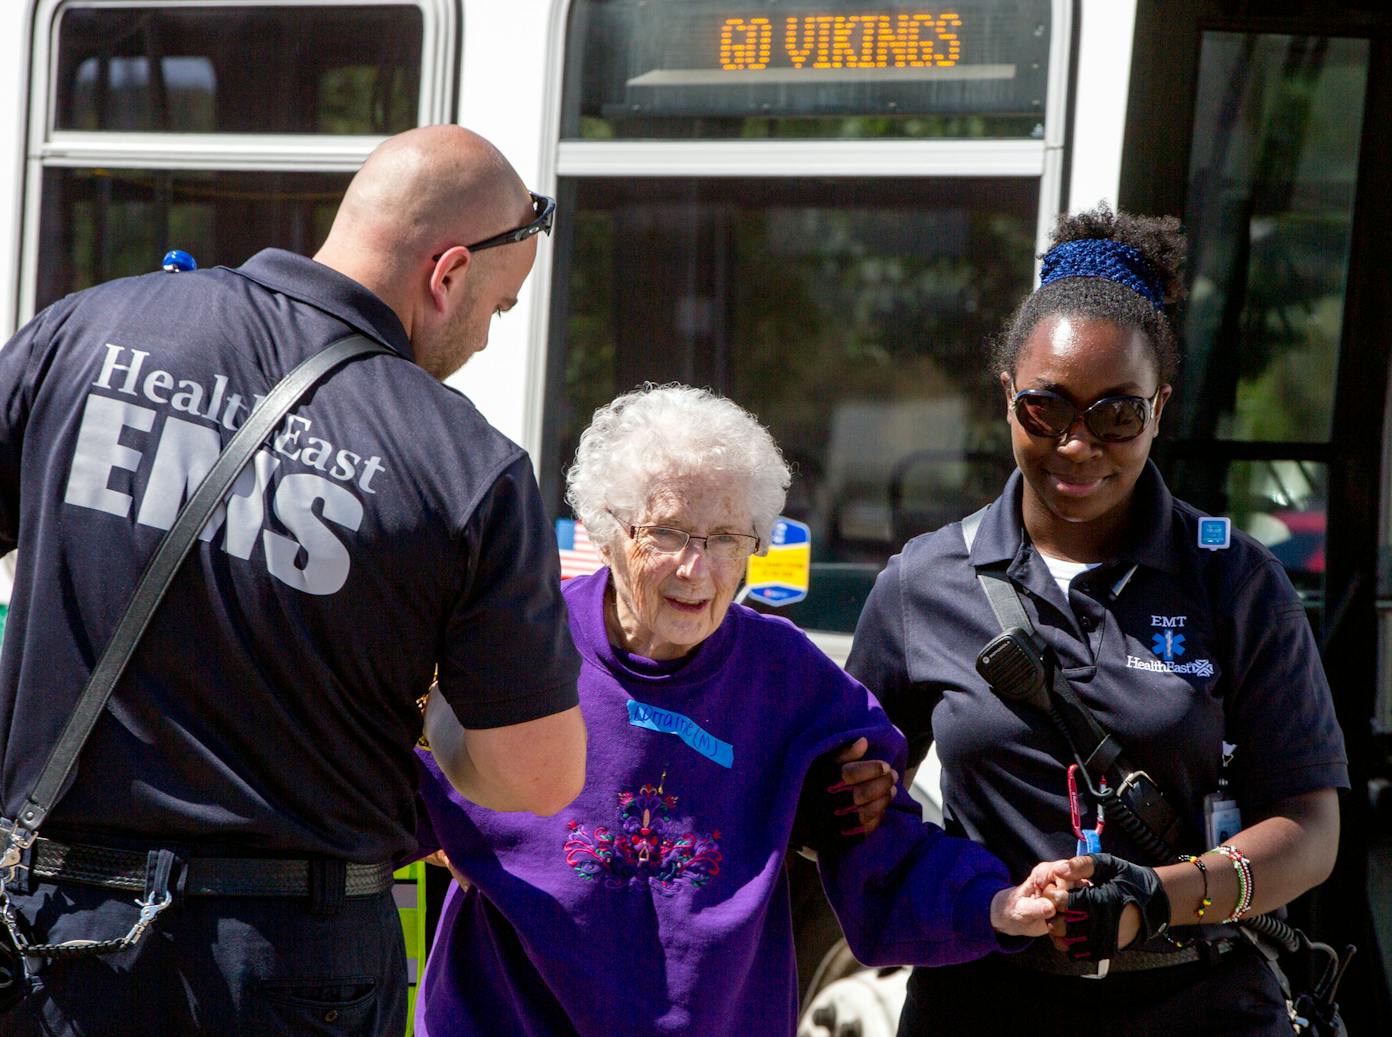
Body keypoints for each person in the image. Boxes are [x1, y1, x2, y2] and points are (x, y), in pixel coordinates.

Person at [0, 125, 586, 1035]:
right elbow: (540, 774)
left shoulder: (88, 329)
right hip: (290, 963)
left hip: (53, 929)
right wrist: (432, 716)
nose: (481, 342)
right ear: (449, 273)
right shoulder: (467, 463)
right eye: (496, 312)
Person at [413, 384, 1078, 1037]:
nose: (696, 568)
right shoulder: (520, 642)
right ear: (609, 529)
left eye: (727, 537)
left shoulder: (791, 681)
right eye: (668, 532)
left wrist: (994, 902)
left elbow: (885, 852)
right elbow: (374, 785)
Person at [847, 205, 1349, 1036]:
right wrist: (946, 876)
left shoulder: (1236, 579)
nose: (1078, 446)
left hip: (1204, 1007)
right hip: (980, 1007)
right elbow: (853, 806)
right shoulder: (920, 581)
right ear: (1008, 396)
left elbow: (1310, 829)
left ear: (1161, 408)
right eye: (1047, 409)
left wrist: (1157, 896)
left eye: (1118, 414)